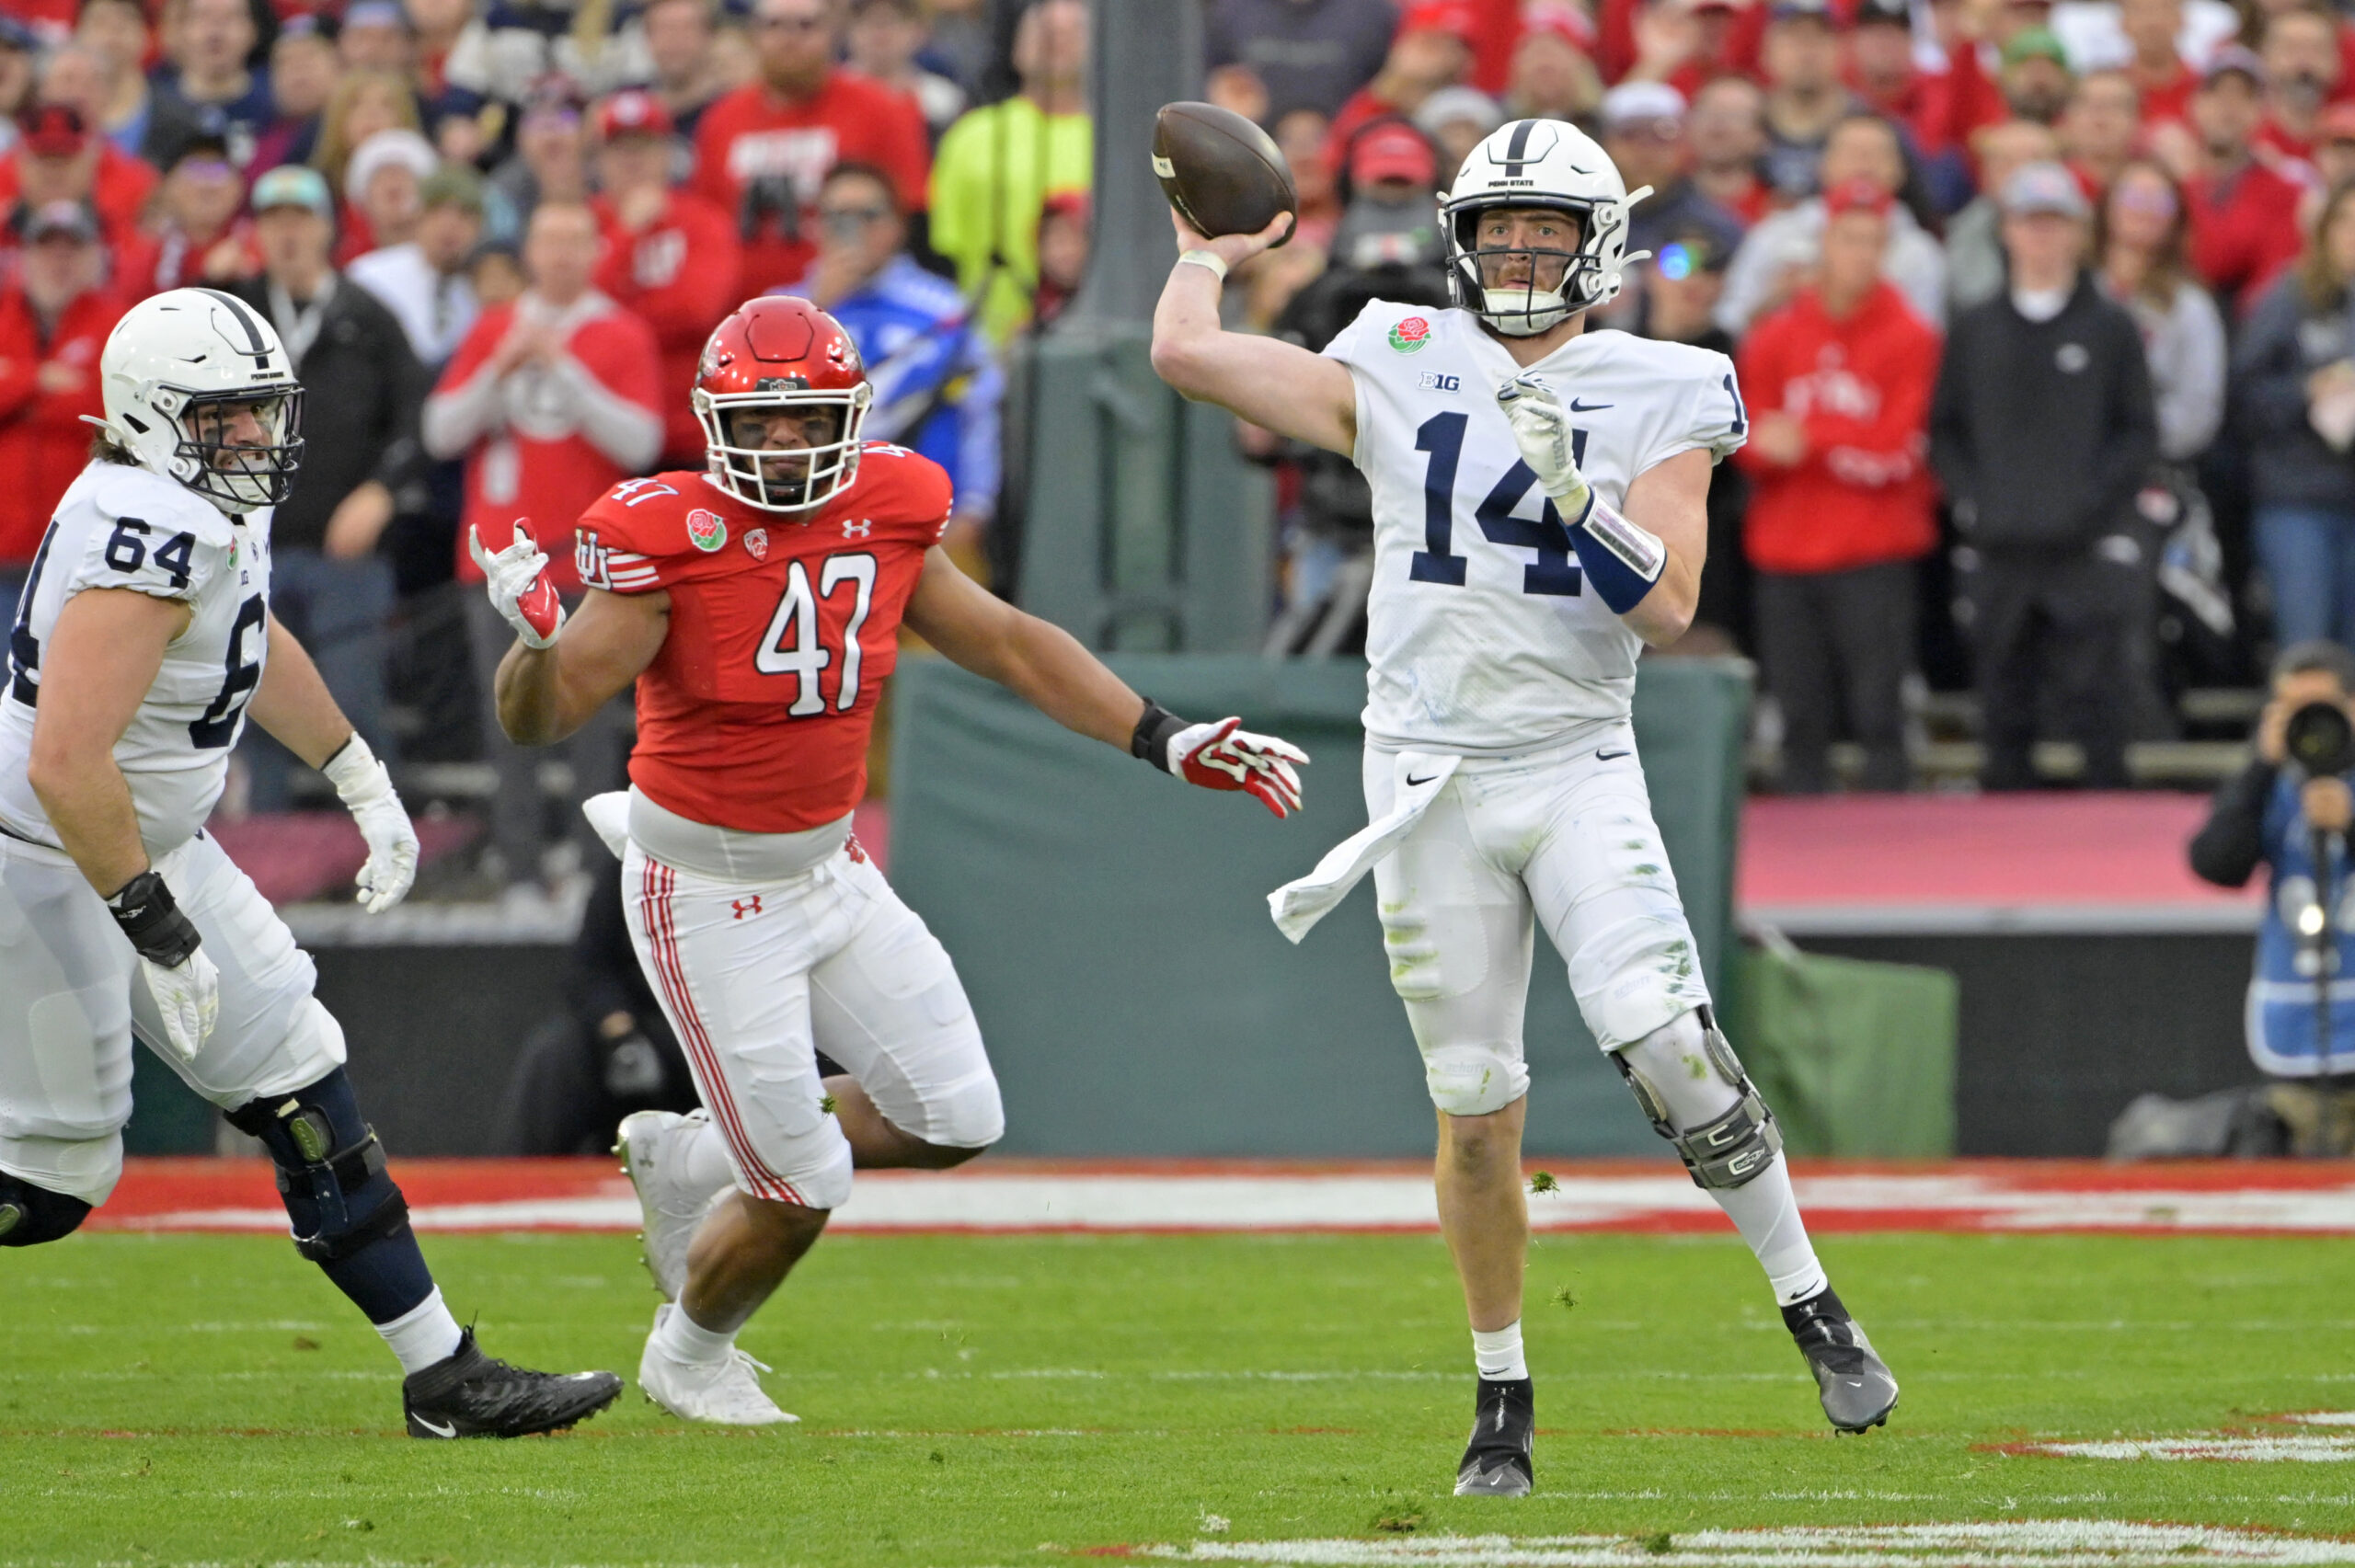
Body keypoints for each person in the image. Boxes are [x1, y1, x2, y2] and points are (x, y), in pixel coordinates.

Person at [1151, 118, 1901, 1496]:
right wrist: (1204, 255)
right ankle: (1502, 1393)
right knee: (1476, 1107)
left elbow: (1670, 606)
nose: (1515, 251)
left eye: (1543, 231)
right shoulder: (1392, 349)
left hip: (1571, 759)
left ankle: (1812, 1302)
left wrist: (1576, 499)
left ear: (1597, 245)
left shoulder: (1668, 380)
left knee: (1667, 1042)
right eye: (1497, 228)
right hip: (1423, 777)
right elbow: (1188, 359)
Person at [469, 294, 1308, 1423]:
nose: (779, 446)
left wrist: (1162, 734)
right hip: (706, 885)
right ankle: (691, 1351)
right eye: (757, 426)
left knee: (954, 1116)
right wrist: (531, 637)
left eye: (803, 421)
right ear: (716, 423)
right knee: (804, 1182)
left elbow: (1008, 640)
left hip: (828, 868)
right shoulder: (669, 535)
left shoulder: (892, 503)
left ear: (847, 418)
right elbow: (544, 715)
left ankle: (691, 1155)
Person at [0, 286, 622, 1436]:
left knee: (301, 1075)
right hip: (47, 861)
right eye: (222, 417)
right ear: (147, 415)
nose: (252, 437)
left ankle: (444, 1375)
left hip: (145, 843)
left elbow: (249, 628)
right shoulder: (145, 524)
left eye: (257, 412)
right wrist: (156, 922)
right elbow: (66, 763)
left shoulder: (197, 503)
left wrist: (357, 771)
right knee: (49, 1188)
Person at [423, 202, 662, 891]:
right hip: (498, 561)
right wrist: (499, 367)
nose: (560, 257)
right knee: (508, 725)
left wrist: (567, 370)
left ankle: (596, 876)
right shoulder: (494, 328)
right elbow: (442, 432)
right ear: (528, 249)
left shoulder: (620, 333)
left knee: (590, 724)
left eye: (574, 243)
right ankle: (519, 867)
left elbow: (639, 443)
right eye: (548, 242)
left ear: (595, 251)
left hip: (588, 559)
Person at [1931, 162, 2159, 791]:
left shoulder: (2109, 326)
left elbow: (2137, 429)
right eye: (2030, 223)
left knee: (2098, 688)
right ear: (2007, 231)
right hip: (2000, 541)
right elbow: (1945, 428)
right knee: (2002, 686)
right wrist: (1973, 500)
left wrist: (2095, 503)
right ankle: (2005, 819)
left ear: (2079, 233)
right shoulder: (1977, 327)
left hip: (2084, 542)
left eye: (2056, 223)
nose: (2042, 238)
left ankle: (2106, 823)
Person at [226, 164, 427, 813]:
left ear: (327, 229)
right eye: (274, 221)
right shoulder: (229, 314)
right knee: (248, 712)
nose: (287, 235)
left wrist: (382, 491)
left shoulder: (368, 318)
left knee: (353, 701)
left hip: (344, 548)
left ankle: (388, 845)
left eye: (300, 220)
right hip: (250, 547)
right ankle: (266, 872)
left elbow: (416, 418)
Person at [1736, 181, 1940, 793]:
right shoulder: (1774, 335)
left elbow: (1899, 449)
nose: (1860, 254)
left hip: (1874, 550)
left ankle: (1893, 847)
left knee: (1880, 712)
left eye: (1873, 242)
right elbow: (1744, 438)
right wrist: (1825, 439)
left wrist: (1810, 440)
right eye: (1849, 239)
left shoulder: (1912, 337)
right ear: (1824, 243)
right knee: (1800, 714)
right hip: (1785, 550)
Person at [783, 163, 997, 558]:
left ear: (898, 225)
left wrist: (976, 509)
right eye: (838, 217)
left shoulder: (945, 310)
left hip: (930, 529)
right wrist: (816, 307)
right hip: (810, 532)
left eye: (869, 215)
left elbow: (981, 413)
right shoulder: (776, 312)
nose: (855, 230)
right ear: (815, 225)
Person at [2188, 640, 2355, 1084]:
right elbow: (2216, 865)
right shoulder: (2268, 786)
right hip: (2292, 1000)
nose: (2308, 724)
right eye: (2291, 709)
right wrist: (2261, 767)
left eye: (2319, 708)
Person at [690, 0, 930, 298]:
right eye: (774, 25)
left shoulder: (880, 110)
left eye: (806, 25)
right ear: (754, 35)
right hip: (744, 313)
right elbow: (706, 226)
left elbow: (912, 219)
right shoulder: (720, 120)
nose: (790, 38)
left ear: (832, 32)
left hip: (853, 307)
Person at [590, 88, 741, 471]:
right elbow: (580, 317)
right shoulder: (582, 224)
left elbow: (698, 310)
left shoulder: (703, 221)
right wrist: (626, 233)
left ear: (666, 154)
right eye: (620, 148)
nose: (632, 160)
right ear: (601, 160)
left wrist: (622, 320)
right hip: (604, 433)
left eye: (643, 146)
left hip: (692, 430)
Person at [2234, 180, 2355, 649]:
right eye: (2344, 220)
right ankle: (2302, 724)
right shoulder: (2288, 297)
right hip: (2297, 500)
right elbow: (2243, 395)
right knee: (2307, 652)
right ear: (2324, 230)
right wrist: (2307, 392)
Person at [926, 0, 1089, 344]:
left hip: (1093, 336)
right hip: (984, 349)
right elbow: (942, 257)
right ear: (1015, 45)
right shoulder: (970, 135)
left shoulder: (1119, 139)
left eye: (1071, 32)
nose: (1056, 40)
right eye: (1044, 31)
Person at [1716, 113, 1946, 337]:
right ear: (1823, 165)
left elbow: (1928, 343)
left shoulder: (1919, 252)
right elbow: (1729, 324)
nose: (1864, 164)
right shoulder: (1776, 234)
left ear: (1900, 171)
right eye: (1851, 153)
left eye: (1878, 154)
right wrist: (1776, 299)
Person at [0, 202, 123, 619]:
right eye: (46, 247)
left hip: (83, 562)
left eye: (73, 248)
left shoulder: (118, 327)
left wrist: (13, 382)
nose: (59, 260)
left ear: (95, 257)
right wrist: (41, 379)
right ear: (24, 257)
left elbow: (103, 410)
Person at [2184, 49, 2307, 317]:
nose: (2229, 107)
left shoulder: (2283, 191)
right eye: (2217, 93)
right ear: (2194, 103)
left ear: (2262, 111)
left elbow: (2270, 284)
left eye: (2244, 96)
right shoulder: (2166, 179)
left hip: (2241, 326)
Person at [349, 162, 486, 370]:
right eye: (436, 212)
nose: (449, 226)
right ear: (417, 218)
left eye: (464, 215)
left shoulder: (486, 287)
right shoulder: (369, 276)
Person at [1207, 0, 1396, 125]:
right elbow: (1211, 85)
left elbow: (1391, 93)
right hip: (1255, 150)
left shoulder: (1374, 13)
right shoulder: (1231, 12)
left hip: (1344, 155)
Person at [1944, 118, 2062, 315]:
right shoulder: (1962, 232)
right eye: (2005, 163)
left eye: (2035, 162)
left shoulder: (2085, 228)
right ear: (1985, 174)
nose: (2019, 174)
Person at [153, 0, 276, 167]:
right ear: (181, 31)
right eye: (203, 16)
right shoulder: (151, 104)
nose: (216, 31)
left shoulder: (277, 101)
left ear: (253, 30)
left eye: (230, 18)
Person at [1757, 0, 1859, 203]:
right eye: (1795, 38)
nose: (1807, 52)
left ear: (1842, 50)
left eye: (1819, 38)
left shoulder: (1870, 127)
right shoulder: (1749, 122)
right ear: (1767, 50)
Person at [642, 0, 728, 143]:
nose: (675, 40)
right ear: (647, 38)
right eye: (665, 29)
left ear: (710, 36)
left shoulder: (731, 108)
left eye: (687, 29)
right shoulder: (621, 106)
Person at [2060, 70, 2142, 195]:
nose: (2101, 117)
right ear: (2069, 118)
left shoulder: (2149, 187)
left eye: (2114, 105)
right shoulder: (2053, 182)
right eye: (2090, 105)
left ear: (2135, 120)